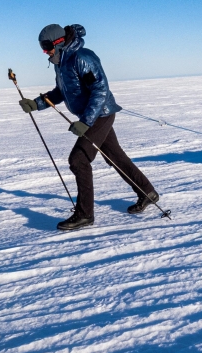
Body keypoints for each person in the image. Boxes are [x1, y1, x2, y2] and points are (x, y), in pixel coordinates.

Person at [20, 23, 161, 231]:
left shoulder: (82, 57)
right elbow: (61, 92)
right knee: (116, 157)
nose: (45, 51)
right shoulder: (62, 62)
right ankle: (147, 192)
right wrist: (36, 104)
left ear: (59, 42)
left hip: (100, 114)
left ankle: (85, 214)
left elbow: (100, 90)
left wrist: (86, 122)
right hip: (91, 116)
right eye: (42, 47)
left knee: (78, 160)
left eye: (47, 45)